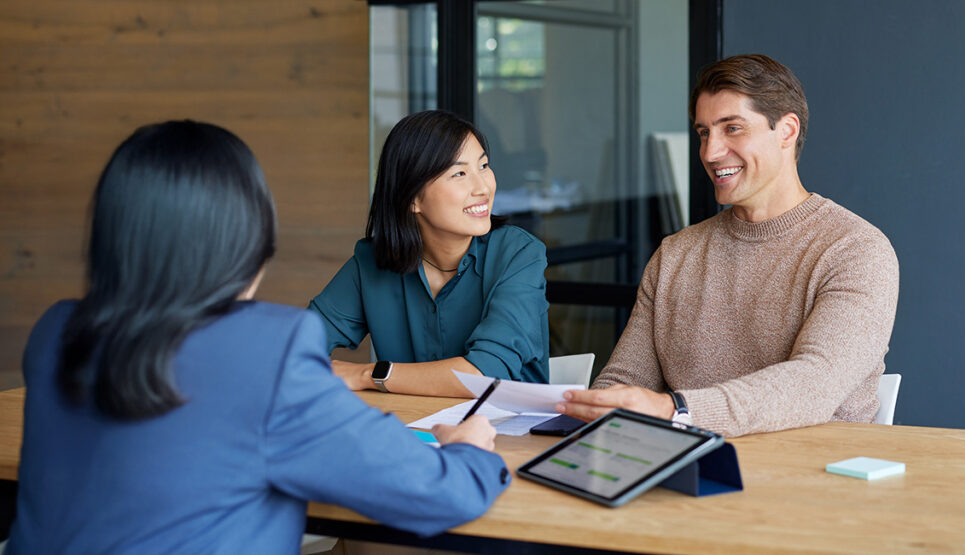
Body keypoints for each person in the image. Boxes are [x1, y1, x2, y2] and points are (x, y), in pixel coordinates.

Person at [7, 121, 509, 554]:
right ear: (248, 230)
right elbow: (435, 493)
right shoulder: (268, 350)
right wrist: (469, 449)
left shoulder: (56, 332)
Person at [557, 54, 899, 437]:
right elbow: (626, 378)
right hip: (687, 471)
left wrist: (678, 410)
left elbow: (814, 384)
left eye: (732, 128)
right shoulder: (676, 254)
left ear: (786, 131)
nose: (710, 152)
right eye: (704, 132)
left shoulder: (855, 250)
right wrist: (598, 408)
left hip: (815, 481)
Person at [310, 110, 549, 397]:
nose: (483, 187)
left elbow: (485, 375)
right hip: (410, 432)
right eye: (460, 173)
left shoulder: (518, 255)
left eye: (484, 166)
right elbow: (297, 348)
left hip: (510, 435)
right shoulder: (372, 262)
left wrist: (367, 374)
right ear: (412, 198)